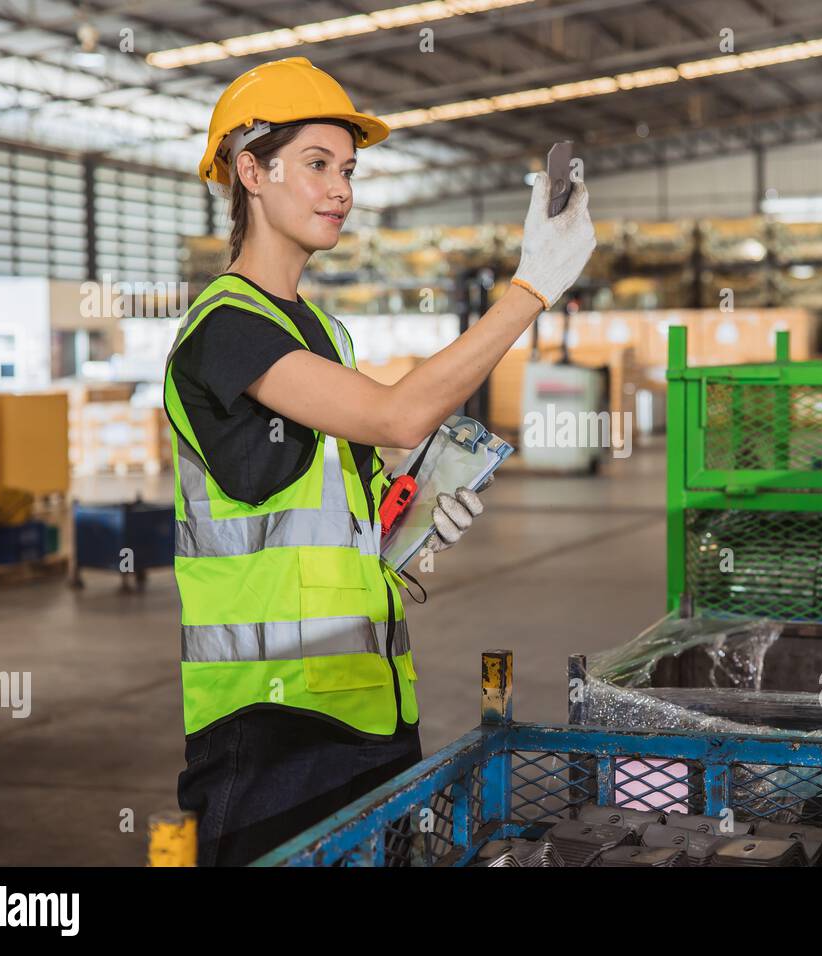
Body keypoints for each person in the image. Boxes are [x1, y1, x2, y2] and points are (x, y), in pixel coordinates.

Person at [164, 56, 595, 866]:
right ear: (250, 171)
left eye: (350, 170)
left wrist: (415, 514)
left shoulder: (323, 335)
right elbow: (398, 411)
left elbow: (346, 495)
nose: (341, 190)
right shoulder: (224, 326)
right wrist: (530, 289)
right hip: (268, 732)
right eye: (318, 165)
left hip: (371, 710)